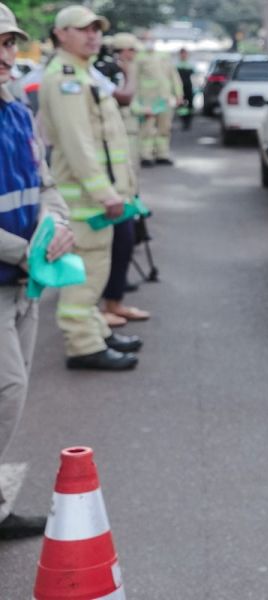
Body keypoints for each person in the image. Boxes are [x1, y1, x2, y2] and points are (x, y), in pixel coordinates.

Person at [0, 1, 75, 538]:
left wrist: (57, 227)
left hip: (25, 280)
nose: (7, 54)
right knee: (6, 391)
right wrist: (23, 251)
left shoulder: (16, 112)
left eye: (8, 43)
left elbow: (44, 184)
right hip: (13, 269)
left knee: (13, 393)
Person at [40, 5, 141, 370]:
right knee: (84, 275)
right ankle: (83, 345)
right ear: (61, 34)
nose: (93, 35)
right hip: (85, 200)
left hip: (98, 197)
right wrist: (106, 194)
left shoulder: (86, 72)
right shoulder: (66, 77)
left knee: (95, 271)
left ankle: (96, 331)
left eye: (96, 29)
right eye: (83, 29)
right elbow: (77, 144)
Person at [99, 32, 149, 327]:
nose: (132, 55)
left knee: (124, 238)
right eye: (129, 51)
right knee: (107, 247)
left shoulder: (95, 73)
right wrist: (128, 74)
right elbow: (126, 98)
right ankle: (99, 317)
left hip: (122, 162)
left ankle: (114, 302)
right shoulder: (104, 73)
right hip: (105, 178)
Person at [132, 33, 181, 167]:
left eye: (152, 39)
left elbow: (173, 76)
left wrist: (178, 94)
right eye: (147, 40)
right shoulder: (139, 58)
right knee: (147, 129)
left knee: (164, 128)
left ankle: (162, 154)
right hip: (148, 100)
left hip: (164, 99)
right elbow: (134, 80)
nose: (150, 42)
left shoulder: (163, 56)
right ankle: (145, 155)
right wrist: (135, 101)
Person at [175, 48, 194, 131]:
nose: (184, 55)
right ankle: (184, 120)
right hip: (180, 89)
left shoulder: (190, 65)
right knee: (182, 106)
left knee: (189, 105)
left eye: (185, 54)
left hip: (189, 88)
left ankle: (188, 121)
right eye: (182, 54)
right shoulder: (177, 65)